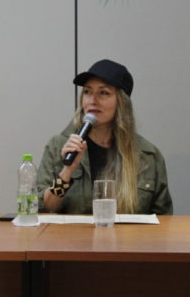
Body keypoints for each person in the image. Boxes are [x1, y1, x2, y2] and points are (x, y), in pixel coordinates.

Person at [38, 59, 172, 215]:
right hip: (73, 239)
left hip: (128, 239)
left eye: (103, 93)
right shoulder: (59, 146)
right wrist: (67, 171)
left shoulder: (148, 156)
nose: (92, 101)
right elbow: (44, 207)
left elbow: (163, 219)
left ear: (121, 103)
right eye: (87, 92)